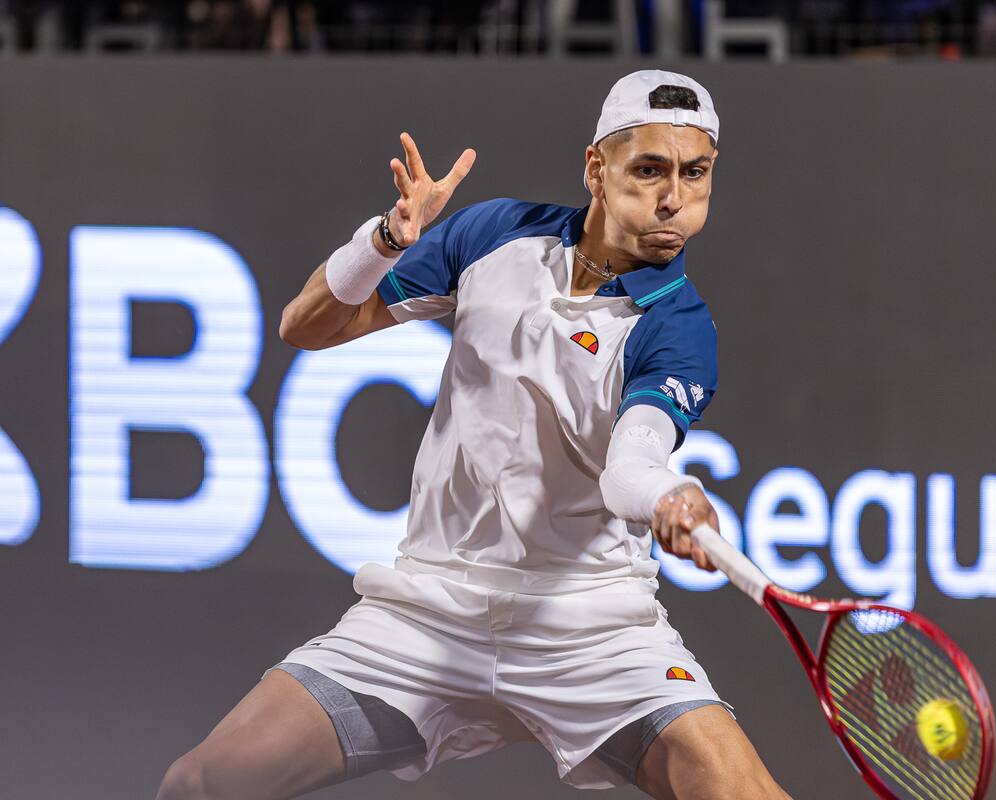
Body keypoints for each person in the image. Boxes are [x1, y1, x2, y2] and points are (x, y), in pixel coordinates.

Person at [156, 69, 791, 800]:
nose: (674, 198)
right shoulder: (495, 234)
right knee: (201, 784)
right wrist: (385, 241)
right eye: (649, 170)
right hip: (429, 611)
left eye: (695, 173)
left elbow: (629, 468)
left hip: (592, 630)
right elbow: (306, 326)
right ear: (596, 168)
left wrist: (667, 495)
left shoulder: (679, 328)